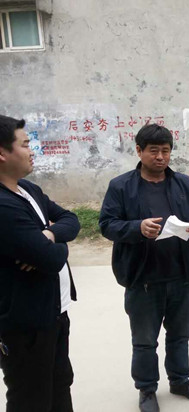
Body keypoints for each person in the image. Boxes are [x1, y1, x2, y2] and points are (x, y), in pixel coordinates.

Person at [99, 124, 189, 412]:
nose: (161, 157)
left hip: (182, 276)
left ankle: (180, 381)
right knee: (145, 341)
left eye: (165, 151)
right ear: (139, 151)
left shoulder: (184, 183)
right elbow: (107, 224)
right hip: (143, 279)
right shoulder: (121, 186)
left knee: (180, 335)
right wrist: (137, 227)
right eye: (154, 151)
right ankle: (147, 389)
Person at [0, 115, 80, 412]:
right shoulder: (4, 206)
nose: (32, 150)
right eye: (24, 144)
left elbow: (71, 219)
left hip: (55, 312)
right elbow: (52, 259)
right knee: (30, 398)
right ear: (2, 153)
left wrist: (48, 234)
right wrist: (52, 245)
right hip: (26, 324)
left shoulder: (27, 189)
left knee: (60, 386)